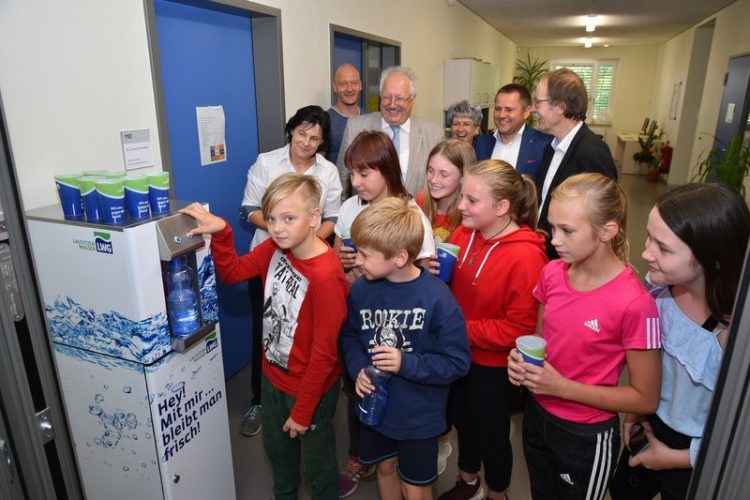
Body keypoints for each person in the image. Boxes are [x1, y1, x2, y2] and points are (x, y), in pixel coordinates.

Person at [182, 174, 348, 499]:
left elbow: (324, 354)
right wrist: (224, 233)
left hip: (308, 388)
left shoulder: (327, 277)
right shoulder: (275, 247)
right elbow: (233, 273)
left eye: (289, 218)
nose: (277, 227)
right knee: (280, 459)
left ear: (315, 217)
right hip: (273, 380)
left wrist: (303, 411)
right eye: (271, 218)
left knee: (318, 470)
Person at [507, 173, 662, 500]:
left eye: (567, 230)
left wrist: (563, 387)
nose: (555, 240)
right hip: (537, 416)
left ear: (607, 231)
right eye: (552, 227)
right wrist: (522, 363)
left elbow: (645, 398)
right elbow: (541, 342)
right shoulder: (552, 273)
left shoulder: (635, 303)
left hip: (585, 435)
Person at [609, 183, 750, 500]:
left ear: (712, 258)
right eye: (649, 237)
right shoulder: (659, 287)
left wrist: (673, 459)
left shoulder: (731, 335)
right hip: (651, 422)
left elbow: (737, 435)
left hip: (698, 451)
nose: (646, 253)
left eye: (664, 248)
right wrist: (637, 413)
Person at [340, 198, 471, 500]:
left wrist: (405, 363)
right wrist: (359, 367)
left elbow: (457, 363)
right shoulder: (362, 289)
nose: (357, 260)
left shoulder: (438, 299)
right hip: (377, 412)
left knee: (415, 484)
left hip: (419, 418)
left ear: (399, 257)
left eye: (365, 254)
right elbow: (349, 335)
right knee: (385, 468)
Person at [334, 130, 437, 498]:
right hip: (361, 314)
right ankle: (362, 454)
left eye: (365, 174)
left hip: (402, 327)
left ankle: (410, 452)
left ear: (386, 169)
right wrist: (346, 261)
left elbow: (423, 272)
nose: (357, 182)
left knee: (402, 395)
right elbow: (337, 261)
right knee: (360, 386)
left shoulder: (411, 215)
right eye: (352, 174)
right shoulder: (348, 209)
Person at [438, 160, 547, 500]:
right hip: (458, 356)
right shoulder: (462, 235)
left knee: (492, 435)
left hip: (494, 368)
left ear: (501, 207)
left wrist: (457, 329)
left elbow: (520, 327)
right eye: (462, 197)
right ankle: (468, 482)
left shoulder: (526, 257)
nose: (460, 206)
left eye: (471, 200)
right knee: (462, 422)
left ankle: (498, 492)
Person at [238, 105, 342, 438]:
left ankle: (304, 401)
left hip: (310, 264)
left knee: (306, 338)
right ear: (291, 131)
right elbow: (249, 208)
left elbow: (331, 219)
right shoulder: (267, 162)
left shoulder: (327, 172)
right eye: (301, 133)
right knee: (267, 329)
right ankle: (261, 400)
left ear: (322, 142)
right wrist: (280, 232)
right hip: (268, 261)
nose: (306, 142)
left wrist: (304, 242)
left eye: (315, 137)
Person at [533, 69, 617, 259]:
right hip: (547, 252)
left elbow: (603, 217)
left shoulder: (592, 153)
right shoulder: (550, 148)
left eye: (538, 102)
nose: (534, 109)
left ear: (560, 107)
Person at [337, 66, 444, 199]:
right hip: (366, 215)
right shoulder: (356, 127)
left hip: (414, 215)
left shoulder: (433, 135)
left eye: (399, 98)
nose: (392, 105)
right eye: (387, 97)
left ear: (412, 99)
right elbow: (342, 182)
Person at [475, 83, 552, 182]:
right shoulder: (482, 143)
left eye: (509, 110)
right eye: (498, 109)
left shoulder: (544, 144)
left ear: (526, 112)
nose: (502, 115)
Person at [416, 139, 475, 243]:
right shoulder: (422, 200)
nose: (433, 180)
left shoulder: (469, 213)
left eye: (443, 175)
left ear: (463, 177)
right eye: (430, 171)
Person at [327, 63, 363, 165]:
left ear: (360, 85)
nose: (349, 89)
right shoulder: (325, 120)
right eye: (343, 84)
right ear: (334, 87)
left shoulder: (369, 117)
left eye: (354, 83)